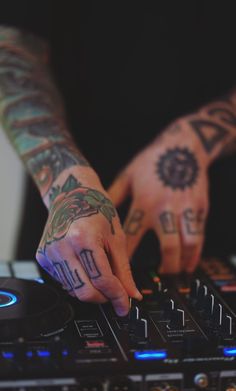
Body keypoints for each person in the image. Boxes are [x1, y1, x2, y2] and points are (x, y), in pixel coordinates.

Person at [1, 2, 236, 316]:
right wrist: (67, 185)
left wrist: (193, 141)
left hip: (211, 218)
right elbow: (13, 48)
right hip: (68, 225)